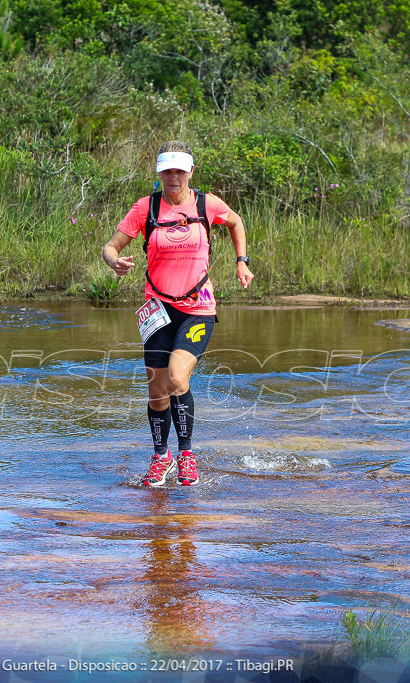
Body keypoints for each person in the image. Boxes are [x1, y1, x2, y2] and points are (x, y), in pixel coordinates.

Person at [101, 141, 254, 486]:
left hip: (198, 308)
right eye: (167, 171)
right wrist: (114, 261)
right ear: (159, 173)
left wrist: (241, 262)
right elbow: (110, 246)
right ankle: (161, 457)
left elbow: (236, 222)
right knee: (156, 391)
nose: (174, 177)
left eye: (180, 171)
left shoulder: (206, 204)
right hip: (159, 311)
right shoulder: (146, 208)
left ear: (190, 172)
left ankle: (186, 455)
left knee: (176, 379)